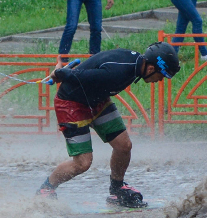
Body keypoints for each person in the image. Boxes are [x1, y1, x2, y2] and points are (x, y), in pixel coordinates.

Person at [36, 42, 179, 207]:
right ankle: (46, 189)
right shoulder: (119, 71)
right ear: (151, 68)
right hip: (72, 104)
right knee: (82, 163)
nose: (160, 80)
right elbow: (79, 76)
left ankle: (117, 190)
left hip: (96, 100)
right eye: (161, 75)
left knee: (124, 146)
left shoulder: (136, 65)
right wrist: (61, 73)